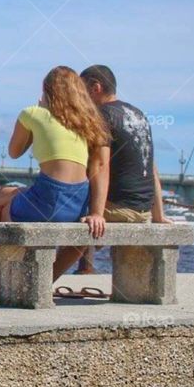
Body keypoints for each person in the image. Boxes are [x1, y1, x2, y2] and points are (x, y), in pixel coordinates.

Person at [0, 66, 110, 297]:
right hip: (77, 203)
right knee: (9, 198)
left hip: (49, 197)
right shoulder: (87, 123)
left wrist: (38, 115)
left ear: (48, 91)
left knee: (3, 201)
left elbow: (14, 152)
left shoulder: (32, 114)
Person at [73, 65, 168, 274]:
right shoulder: (138, 115)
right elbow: (150, 166)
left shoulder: (100, 116)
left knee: (62, 212)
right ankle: (54, 277)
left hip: (118, 209)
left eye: (81, 91)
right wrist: (158, 215)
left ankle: (41, 281)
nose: (79, 98)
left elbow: (100, 164)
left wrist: (96, 213)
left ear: (95, 87)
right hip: (142, 212)